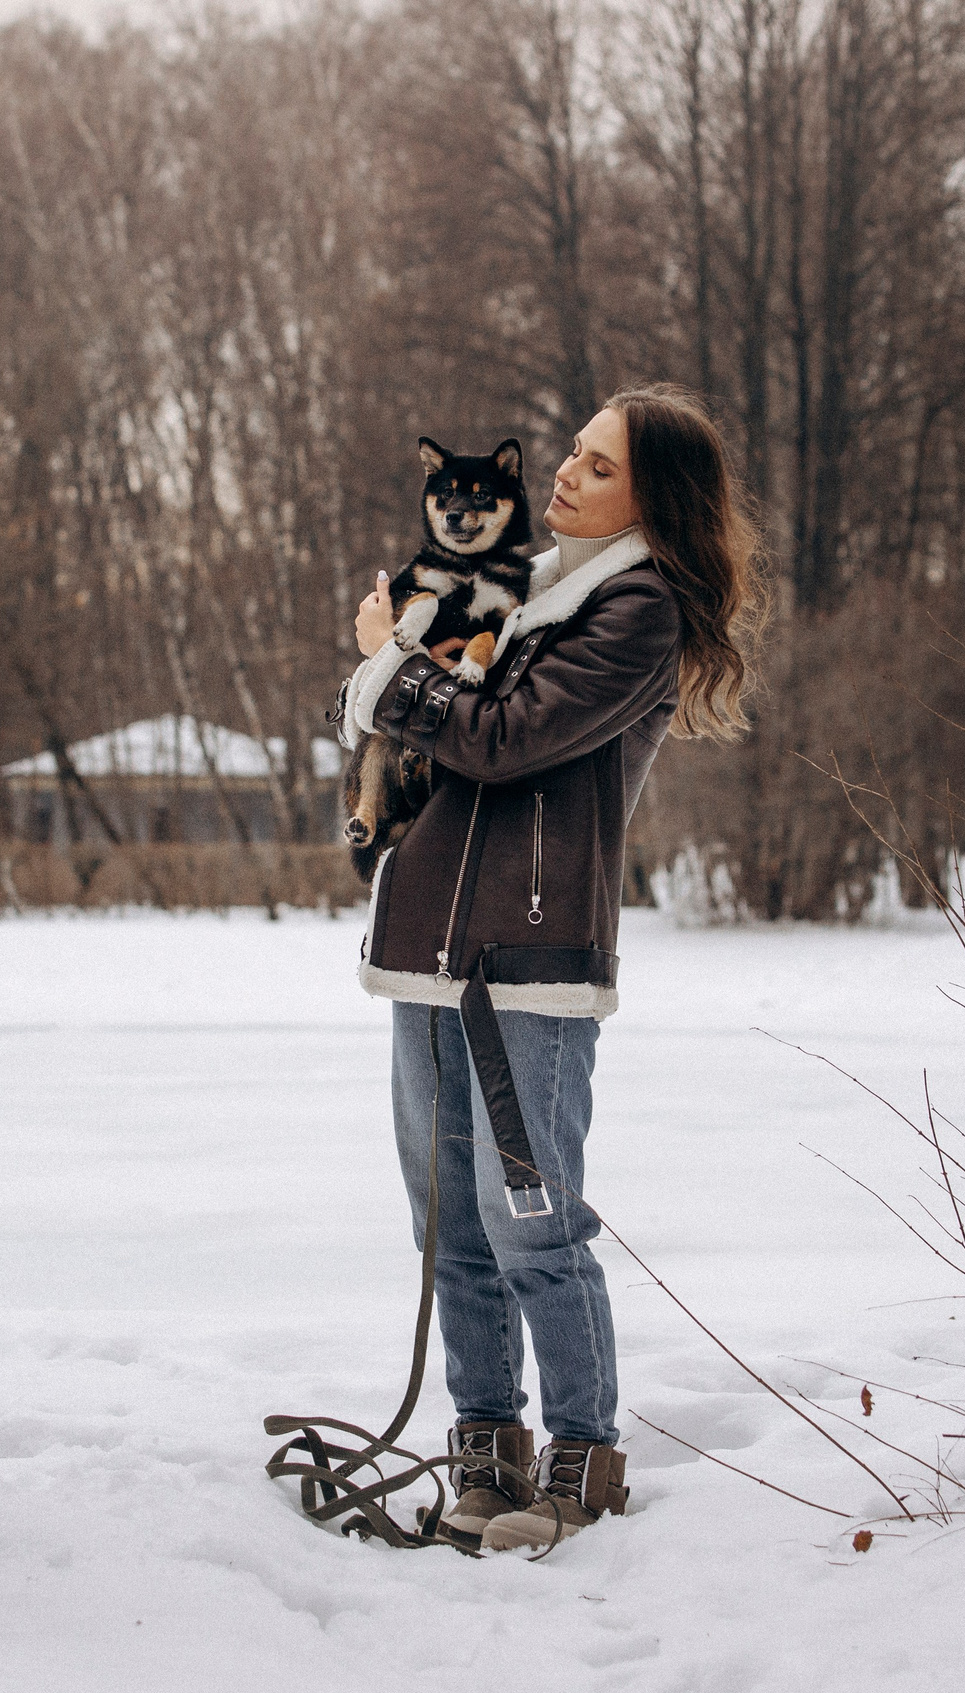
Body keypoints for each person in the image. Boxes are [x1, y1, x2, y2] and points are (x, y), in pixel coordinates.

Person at [335, 383, 761, 1552]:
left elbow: (501, 740)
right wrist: (388, 678)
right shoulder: (519, 593)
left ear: (653, 499)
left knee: (527, 1222)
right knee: (448, 1227)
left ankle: (580, 1461)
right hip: (424, 942)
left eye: (598, 465)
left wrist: (389, 663)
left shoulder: (636, 611)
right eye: (571, 455)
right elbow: (418, 733)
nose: (567, 474)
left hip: (527, 958)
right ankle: (485, 1451)